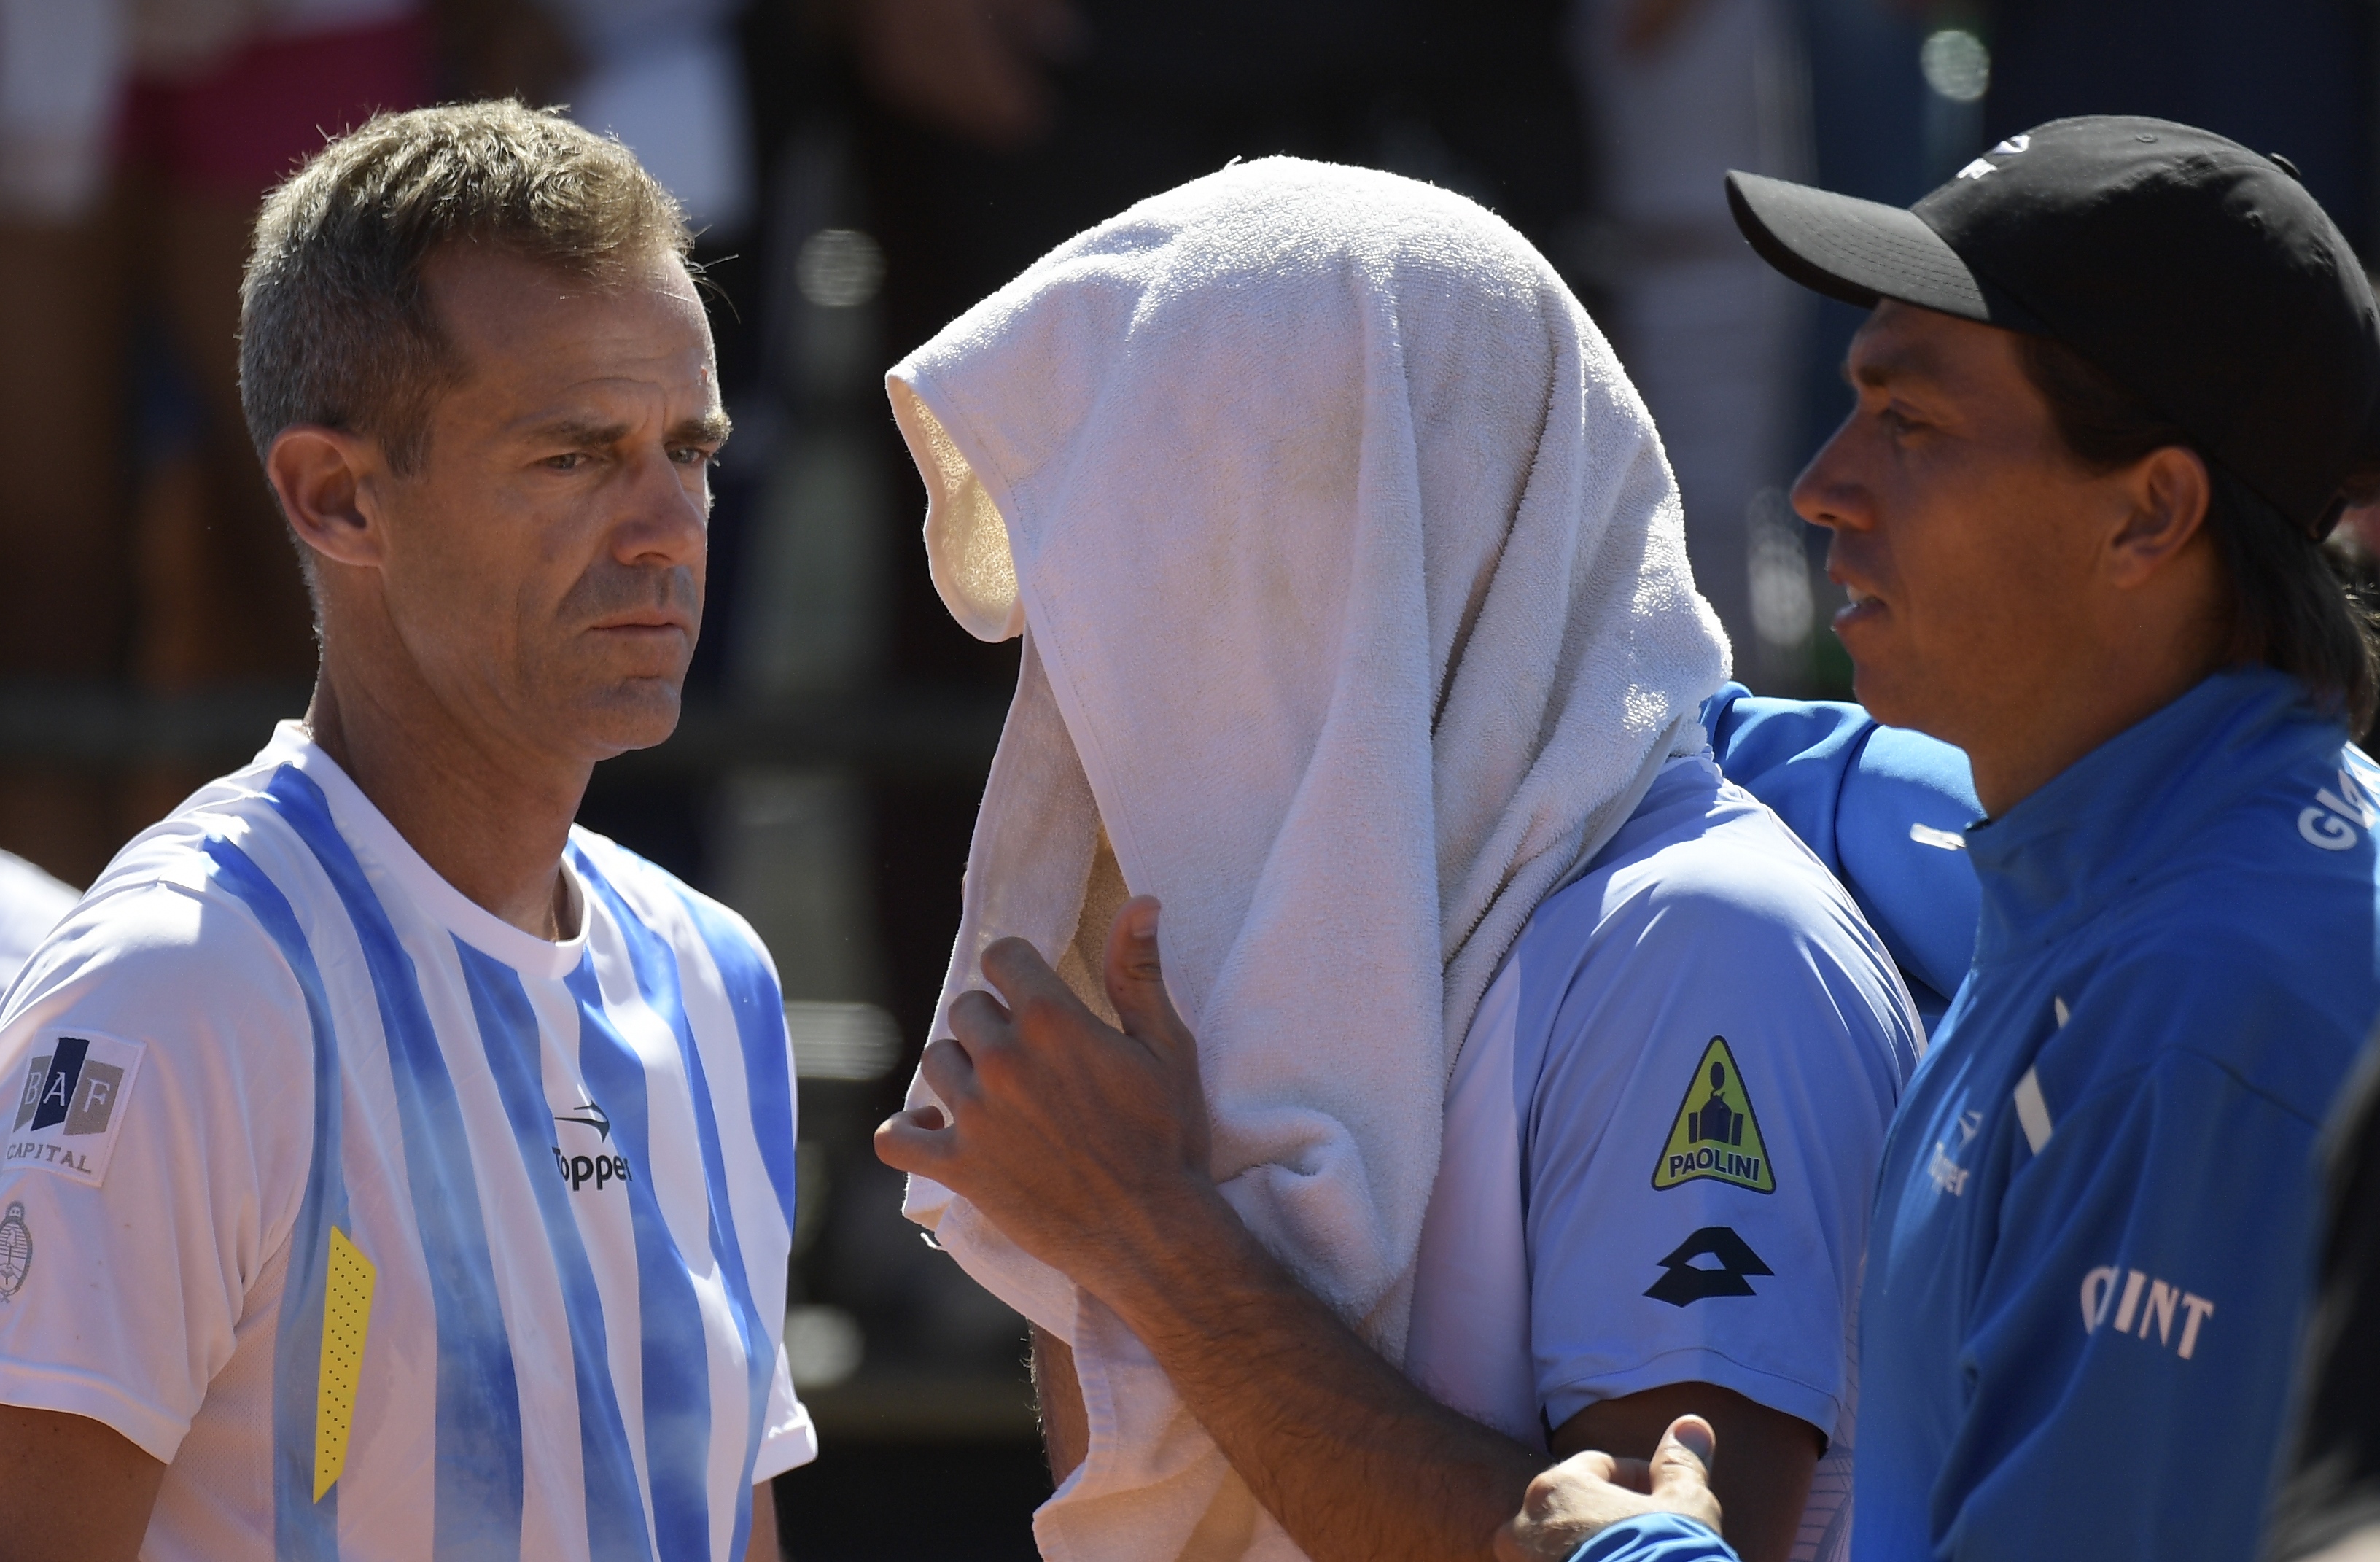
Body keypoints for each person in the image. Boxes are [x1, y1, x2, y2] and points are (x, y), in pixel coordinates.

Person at [869, 156, 1928, 1562]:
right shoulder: (1278, 934)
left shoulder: (1703, 944)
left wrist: (1153, 1232)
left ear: (1405, 537)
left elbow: (1668, 1551)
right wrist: (1116, 1221)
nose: (1127, 655)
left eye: (1206, 556)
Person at [1498, 114, 2380, 1562]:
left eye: (1910, 424)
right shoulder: (2109, 860)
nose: (1823, 486)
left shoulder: (2203, 1025)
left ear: (2149, 514)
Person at [0, 101, 810, 1560]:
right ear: (334, 498)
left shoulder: (718, 978)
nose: (668, 525)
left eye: (688, 447)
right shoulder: (184, 991)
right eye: (574, 456)